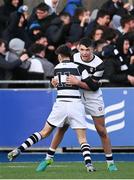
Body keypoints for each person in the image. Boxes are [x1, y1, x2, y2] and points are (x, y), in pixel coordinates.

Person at [8, 44, 96, 173]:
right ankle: (89, 165)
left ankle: (20, 149)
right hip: (75, 104)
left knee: (44, 132)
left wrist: (53, 83)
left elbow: (56, 83)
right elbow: (91, 84)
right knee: (82, 139)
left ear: (60, 56)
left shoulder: (57, 67)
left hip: (60, 104)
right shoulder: (79, 67)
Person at [37, 38, 118, 172]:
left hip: (93, 97)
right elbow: (64, 73)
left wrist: (77, 82)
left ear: (94, 49)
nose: (85, 53)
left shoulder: (99, 64)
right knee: (62, 127)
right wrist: (55, 82)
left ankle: (110, 163)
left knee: (101, 130)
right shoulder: (73, 57)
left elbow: (93, 86)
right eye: (82, 49)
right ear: (78, 48)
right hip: (75, 97)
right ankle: (48, 158)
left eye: (88, 50)